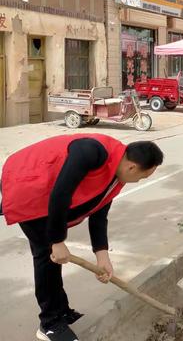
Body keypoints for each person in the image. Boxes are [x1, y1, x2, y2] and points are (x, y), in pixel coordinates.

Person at [0, 134, 164, 341]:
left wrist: (102, 256)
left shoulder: (116, 172)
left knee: (53, 257)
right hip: (26, 184)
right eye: (141, 177)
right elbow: (61, 193)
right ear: (132, 167)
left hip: (47, 191)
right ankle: (50, 324)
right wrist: (57, 241)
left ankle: (61, 311)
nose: (138, 181)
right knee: (46, 256)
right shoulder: (91, 151)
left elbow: (99, 213)